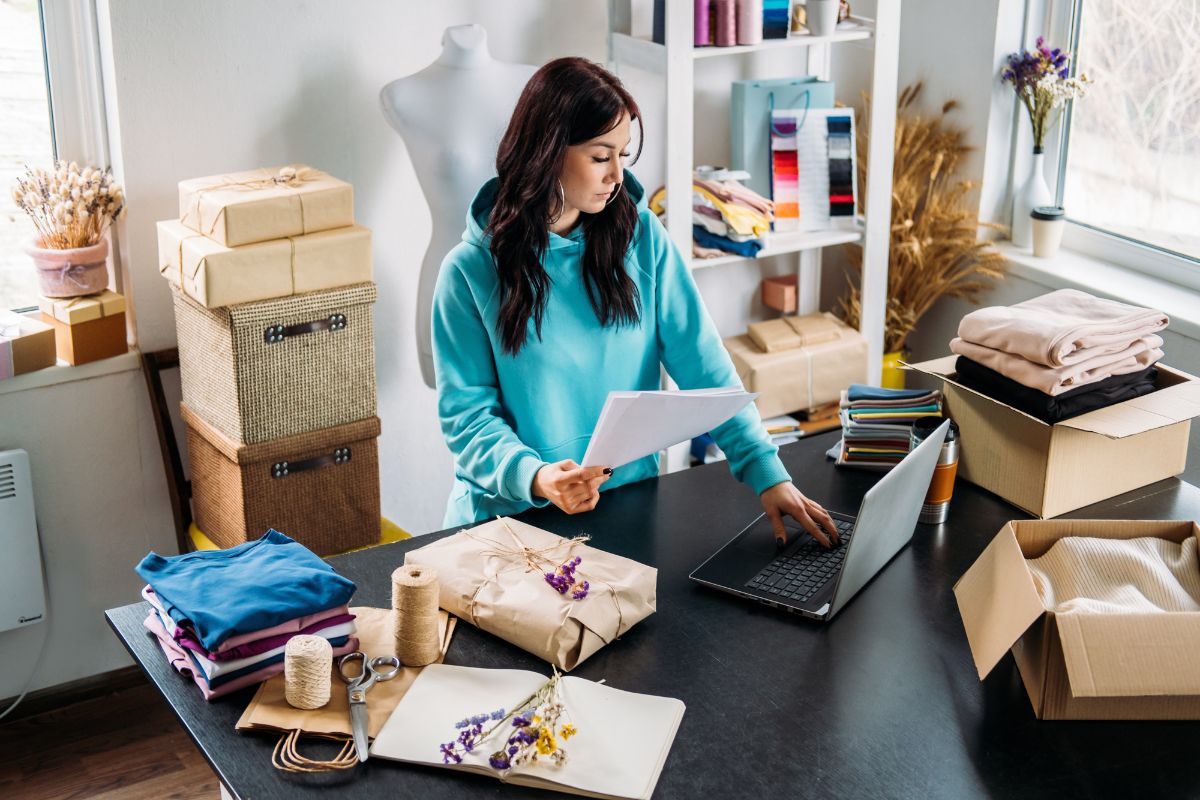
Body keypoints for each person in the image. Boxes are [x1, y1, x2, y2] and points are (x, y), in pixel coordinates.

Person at [431, 57, 838, 547]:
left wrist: (767, 473)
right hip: (509, 521)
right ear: (546, 152)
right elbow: (468, 419)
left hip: (626, 506)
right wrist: (538, 477)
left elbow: (705, 368)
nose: (617, 175)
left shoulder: (642, 238)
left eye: (624, 155)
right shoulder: (468, 273)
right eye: (601, 157)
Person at [380, 24, 535, 389]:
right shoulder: (404, 95)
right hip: (448, 281)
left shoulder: (530, 85)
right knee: (460, 416)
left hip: (527, 280)